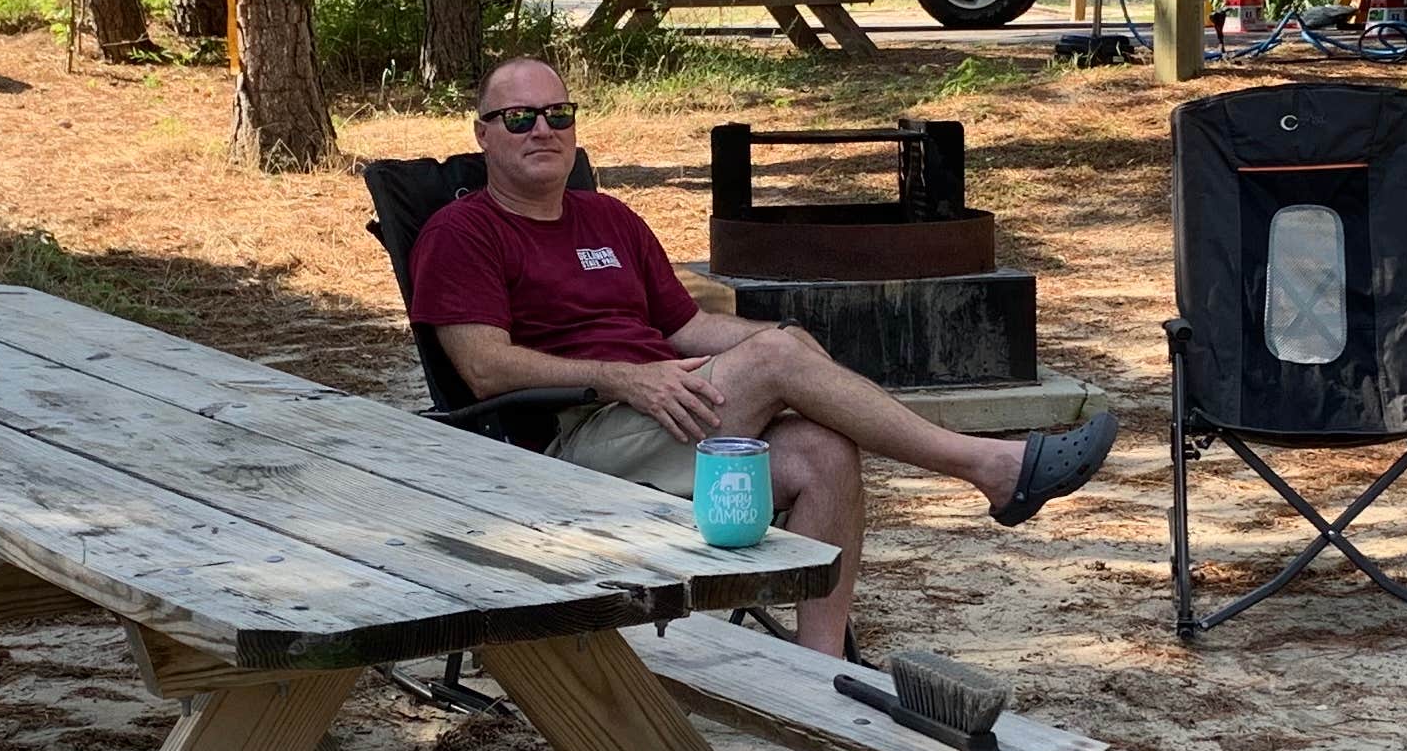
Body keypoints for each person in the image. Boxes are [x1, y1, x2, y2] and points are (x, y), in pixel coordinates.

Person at [406, 57, 1119, 656]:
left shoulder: (610, 218)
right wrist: (620, 377)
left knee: (822, 448)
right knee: (777, 359)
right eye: (521, 117)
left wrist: (781, 342)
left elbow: (685, 328)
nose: (544, 130)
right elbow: (485, 368)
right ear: (484, 134)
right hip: (568, 443)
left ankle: (816, 671)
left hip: (669, 412)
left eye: (559, 115)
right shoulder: (462, 232)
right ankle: (989, 465)